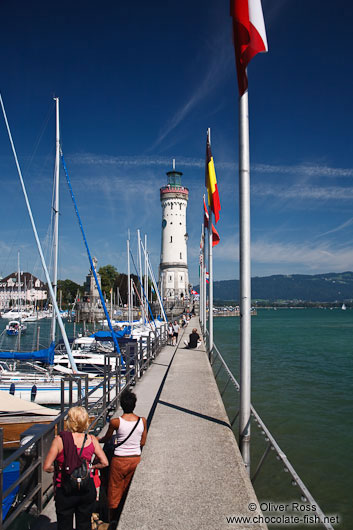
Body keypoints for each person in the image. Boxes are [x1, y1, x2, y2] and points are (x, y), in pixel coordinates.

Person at [43, 406, 108, 530]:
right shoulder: (91, 439)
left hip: (64, 487)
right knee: (84, 524)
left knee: (64, 524)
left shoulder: (60, 440)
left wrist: (60, 469)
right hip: (86, 488)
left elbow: (46, 466)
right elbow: (105, 462)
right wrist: (90, 467)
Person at [98, 389, 147, 522]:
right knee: (128, 487)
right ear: (134, 404)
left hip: (119, 460)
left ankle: (113, 519)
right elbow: (143, 442)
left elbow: (107, 438)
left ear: (122, 405)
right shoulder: (142, 421)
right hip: (135, 459)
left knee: (114, 489)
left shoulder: (116, 422)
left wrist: (97, 440)